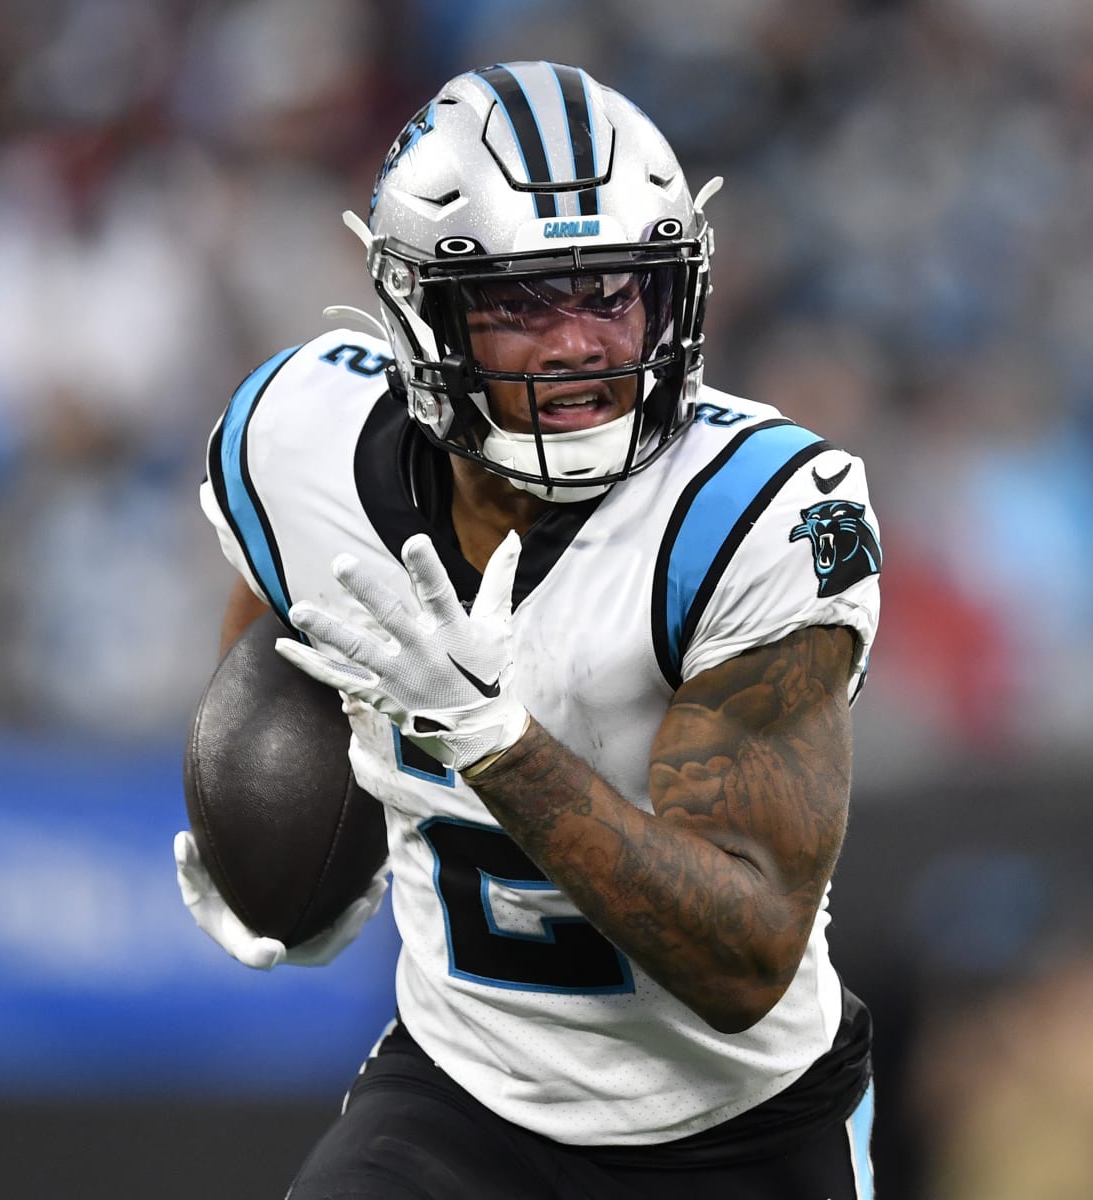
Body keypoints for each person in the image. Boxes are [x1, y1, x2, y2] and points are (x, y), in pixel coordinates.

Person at [172, 61, 882, 1198]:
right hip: (465, 1094)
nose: (578, 346)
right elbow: (276, 607)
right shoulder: (300, 438)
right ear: (422, 313)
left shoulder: (752, 514)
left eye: (612, 292)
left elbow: (745, 960)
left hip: (735, 1129)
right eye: (519, 303)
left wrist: (495, 745)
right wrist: (292, 845)